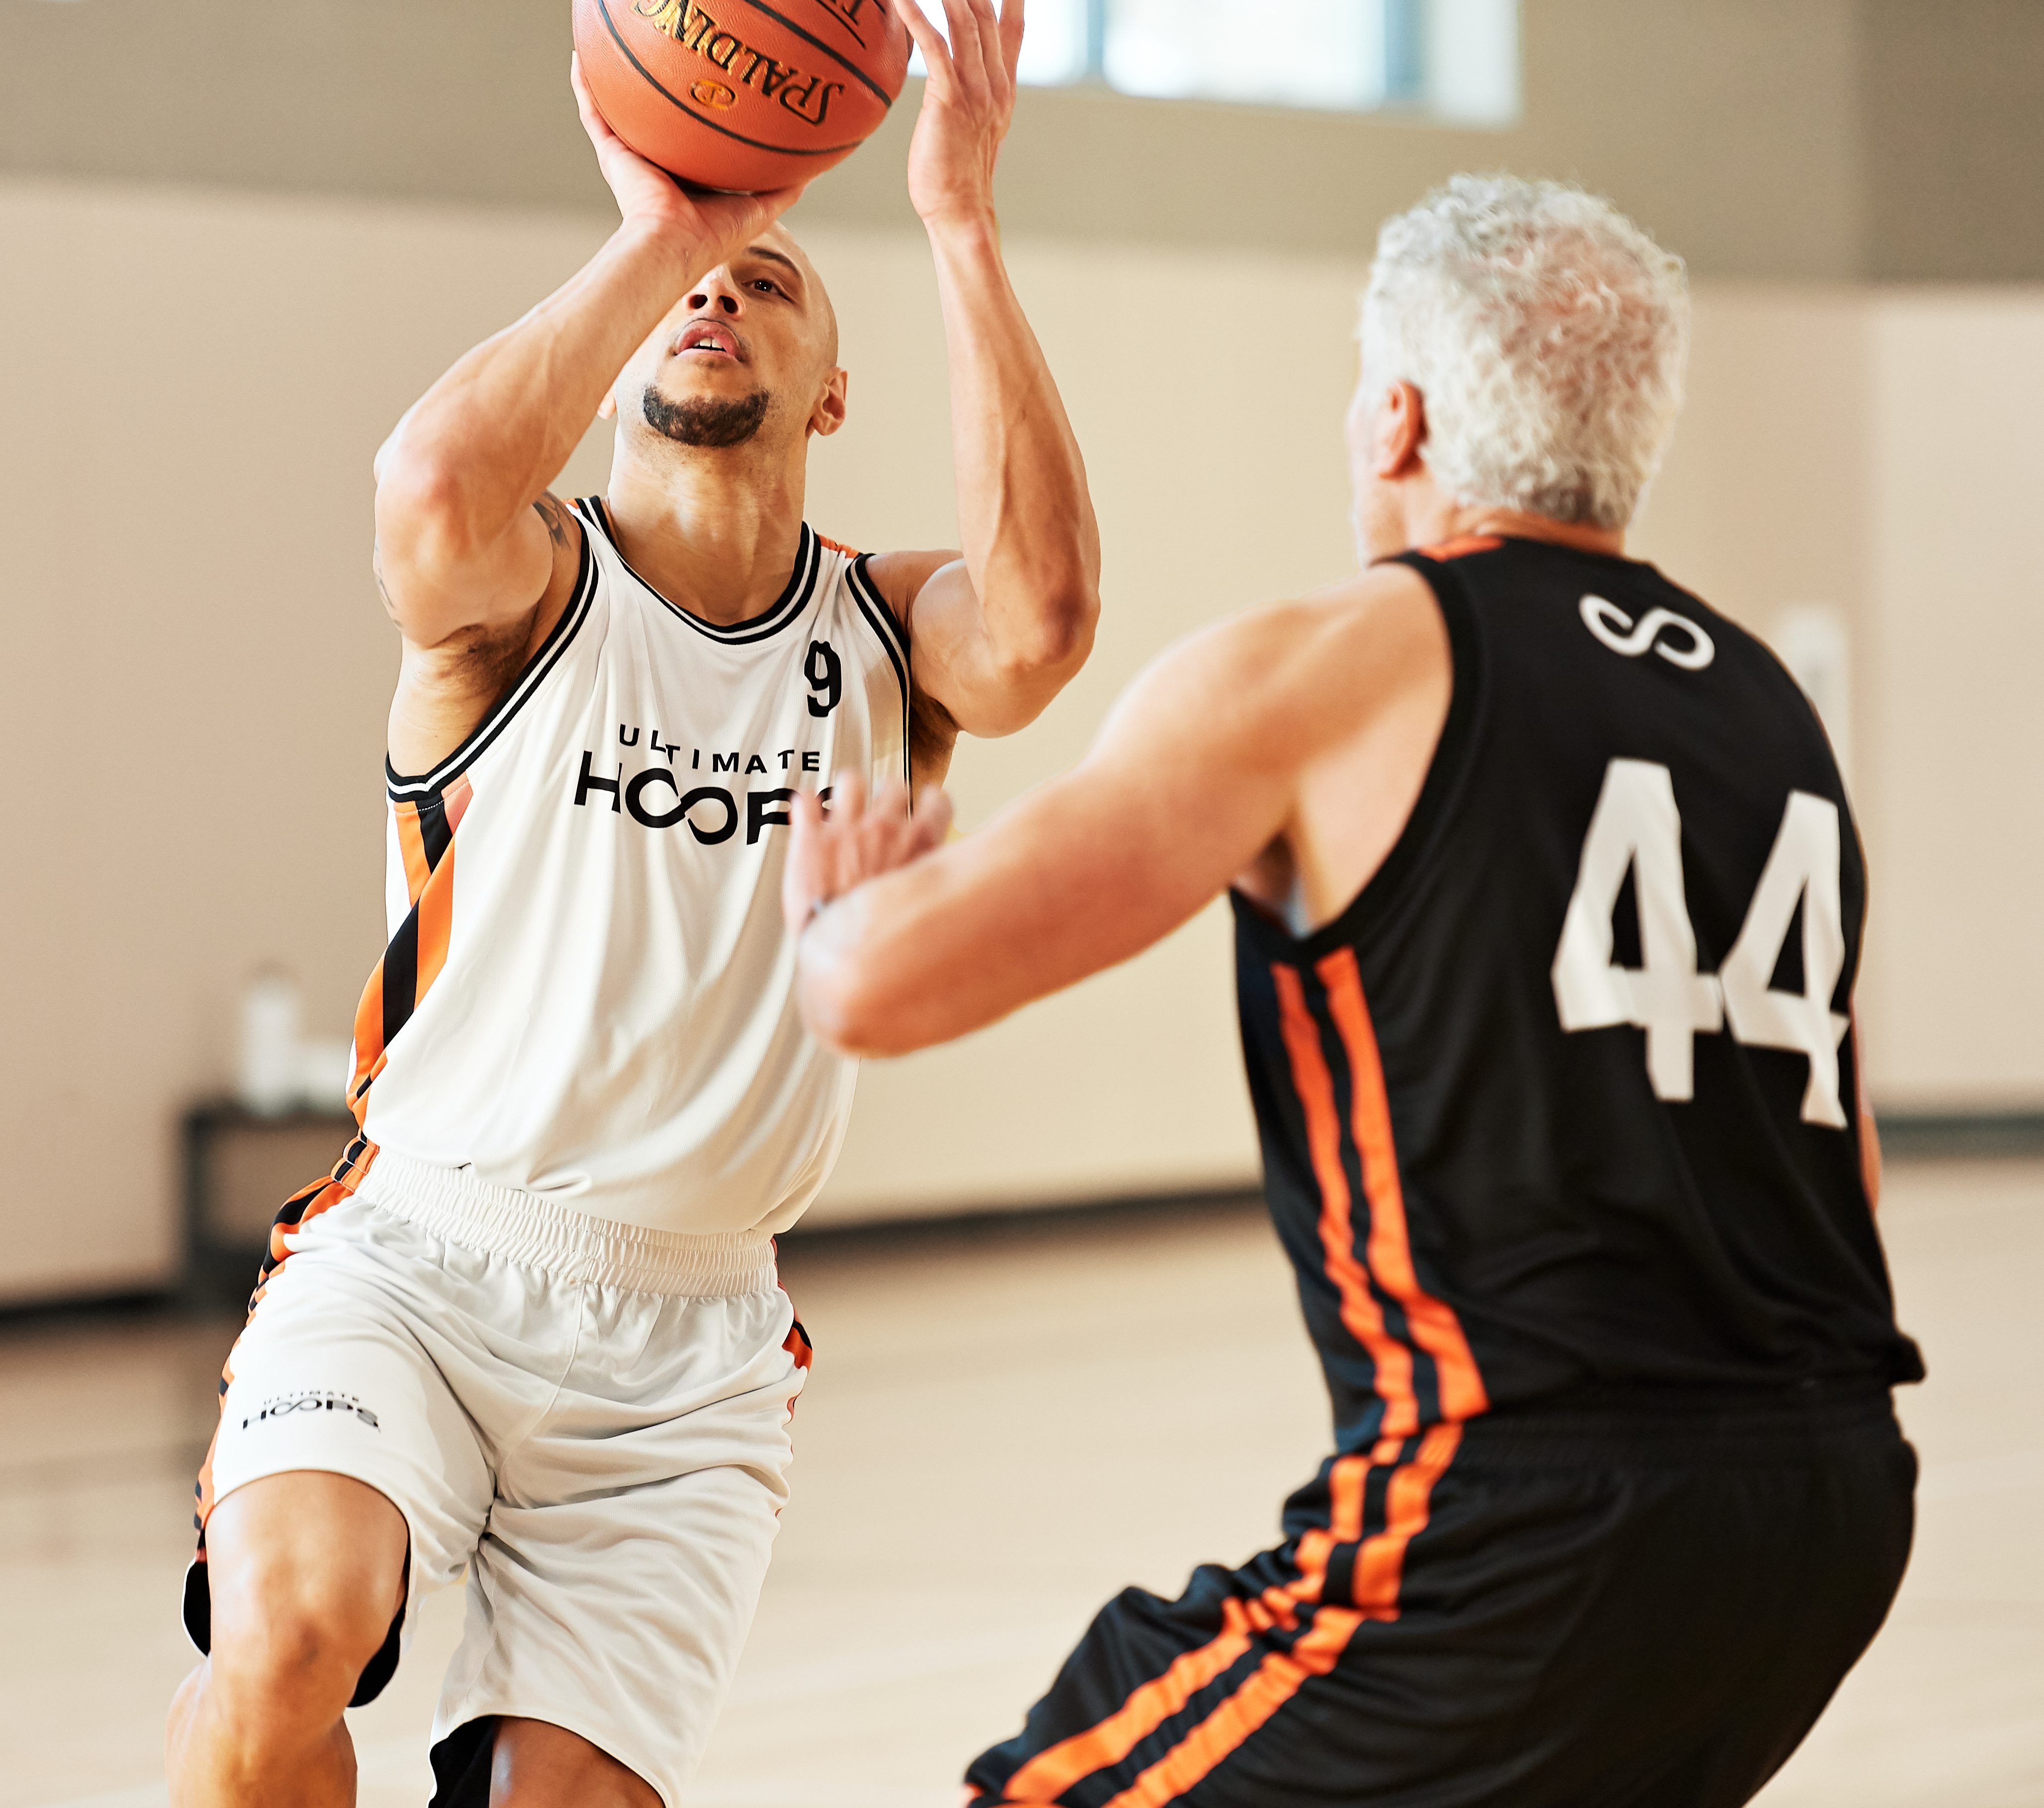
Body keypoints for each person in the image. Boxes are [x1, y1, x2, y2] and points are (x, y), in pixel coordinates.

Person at [786, 174, 1923, 1807]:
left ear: (1394, 417)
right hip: (1826, 1508)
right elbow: (1842, 1171)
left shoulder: (1333, 664)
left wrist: (843, 911)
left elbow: (882, 991)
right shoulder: (1763, 710)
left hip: (1524, 1515)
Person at [163, 3, 1101, 1804]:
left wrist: (958, 217)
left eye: (772, 282)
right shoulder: (519, 600)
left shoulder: (887, 636)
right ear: (608, 364)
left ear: (831, 393)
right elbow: (430, 489)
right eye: (697, 282)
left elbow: (1045, 627)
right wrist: (664, 226)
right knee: (290, 1630)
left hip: (688, 1349)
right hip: (423, 1261)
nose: (720, 296)